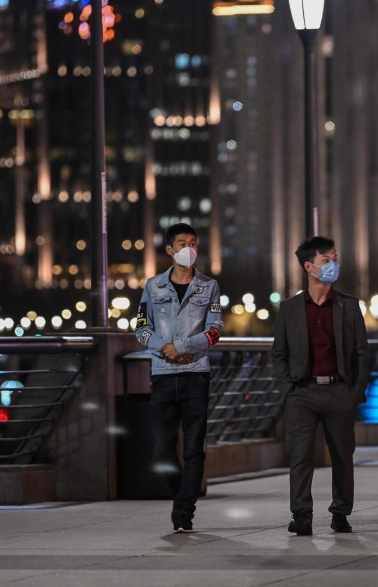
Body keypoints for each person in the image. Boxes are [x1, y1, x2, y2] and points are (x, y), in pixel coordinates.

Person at [271, 236, 371, 536]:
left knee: (342, 456)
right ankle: (301, 514)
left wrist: (354, 392)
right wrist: (288, 390)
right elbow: (279, 353)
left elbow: (362, 352)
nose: (332, 265)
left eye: (335, 258)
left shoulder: (348, 306)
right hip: (302, 393)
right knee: (300, 456)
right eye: (326, 260)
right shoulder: (289, 308)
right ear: (309, 266)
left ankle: (340, 513)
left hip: (339, 391)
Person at [134, 223, 224, 533]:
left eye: (194, 243)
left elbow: (215, 329)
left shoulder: (209, 286)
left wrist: (184, 347)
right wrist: (166, 349)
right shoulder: (153, 286)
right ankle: (182, 495)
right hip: (163, 373)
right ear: (170, 250)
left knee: (194, 448)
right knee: (162, 447)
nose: (189, 248)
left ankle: (184, 511)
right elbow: (141, 329)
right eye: (182, 243)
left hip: (196, 374)